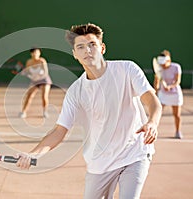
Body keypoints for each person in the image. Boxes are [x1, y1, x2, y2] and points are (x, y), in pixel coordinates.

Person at [16, 23, 162, 199]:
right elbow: (59, 130)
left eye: (92, 44)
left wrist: (152, 122)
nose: (87, 50)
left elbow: (151, 100)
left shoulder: (127, 69)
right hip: (100, 163)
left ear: (102, 48)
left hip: (135, 154)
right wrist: (33, 153)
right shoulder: (76, 91)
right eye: (81, 47)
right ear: (75, 54)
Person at [153, 50, 183, 139]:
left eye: (163, 63)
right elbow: (157, 82)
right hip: (163, 94)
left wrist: (170, 86)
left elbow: (178, 81)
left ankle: (178, 131)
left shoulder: (176, 67)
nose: (162, 65)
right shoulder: (159, 69)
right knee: (157, 112)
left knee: (177, 115)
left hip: (175, 94)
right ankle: (153, 130)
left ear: (168, 61)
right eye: (161, 64)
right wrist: (156, 90)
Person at [19, 48, 53, 118]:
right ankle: (23, 112)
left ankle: (45, 112)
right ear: (31, 54)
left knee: (44, 96)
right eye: (34, 52)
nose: (35, 54)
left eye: (37, 52)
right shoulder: (29, 62)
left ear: (39, 53)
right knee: (29, 95)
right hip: (35, 81)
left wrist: (39, 77)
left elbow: (46, 73)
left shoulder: (42, 60)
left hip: (44, 80)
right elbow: (27, 71)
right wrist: (24, 73)